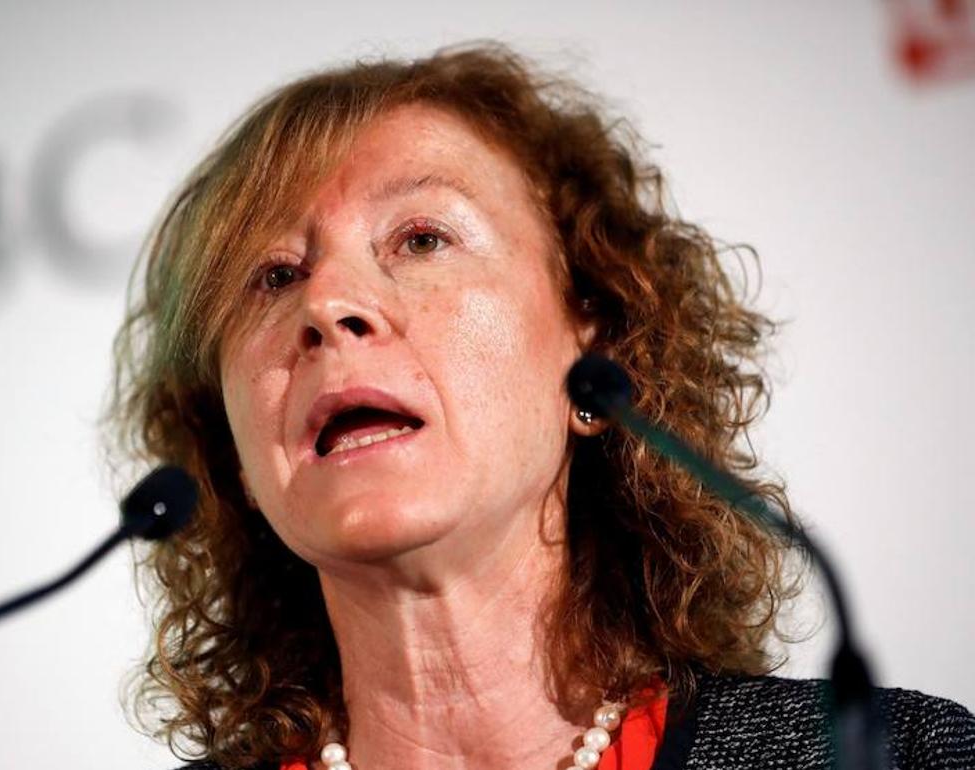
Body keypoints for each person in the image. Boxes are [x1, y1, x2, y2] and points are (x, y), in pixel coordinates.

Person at [106, 44, 975, 770]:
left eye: (421, 239)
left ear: (595, 354)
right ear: (232, 453)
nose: (327, 304)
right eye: (275, 276)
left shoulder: (893, 756)